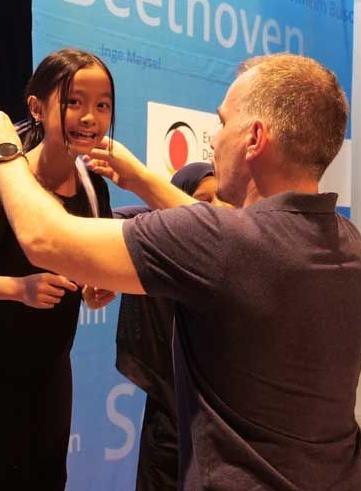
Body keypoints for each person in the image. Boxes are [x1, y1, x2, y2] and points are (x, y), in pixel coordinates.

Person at [0, 53, 361, 490]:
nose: (215, 142)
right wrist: (141, 178)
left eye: (223, 124)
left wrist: (5, 153)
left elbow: (45, 239)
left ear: (254, 137)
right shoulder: (347, 244)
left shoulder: (221, 243)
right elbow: (226, 235)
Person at [0, 48, 118, 490]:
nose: (89, 117)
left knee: (50, 475)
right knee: (7, 478)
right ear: (36, 107)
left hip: (52, 357)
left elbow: (96, 263)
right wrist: (21, 288)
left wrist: (98, 287)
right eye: (74, 101)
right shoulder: (8, 185)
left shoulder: (93, 187)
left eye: (102, 104)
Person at [112, 162, 218, 491]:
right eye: (203, 200)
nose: (212, 211)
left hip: (218, 429)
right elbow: (117, 217)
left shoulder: (234, 256)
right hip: (170, 424)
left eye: (220, 200)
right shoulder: (163, 251)